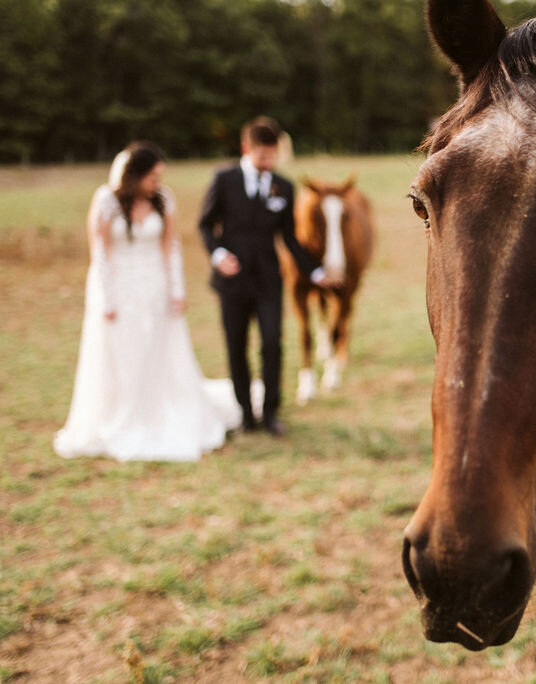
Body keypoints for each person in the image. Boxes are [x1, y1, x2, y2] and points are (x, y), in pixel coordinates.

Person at [54, 142, 242, 462]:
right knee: (123, 353)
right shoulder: (106, 200)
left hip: (154, 287)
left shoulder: (163, 200)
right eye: (152, 177)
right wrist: (106, 298)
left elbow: (172, 248)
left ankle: (159, 409)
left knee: (157, 351)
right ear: (135, 175)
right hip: (120, 289)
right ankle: (121, 414)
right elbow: (99, 251)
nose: (157, 182)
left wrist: (177, 291)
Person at [198, 117, 335, 436]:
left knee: (272, 343)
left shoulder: (283, 187)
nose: (268, 162)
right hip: (231, 282)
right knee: (236, 346)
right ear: (247, 149)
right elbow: (206, 225)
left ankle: (271, 411)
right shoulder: (224, 179)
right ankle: (246, 413)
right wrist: (218, 255)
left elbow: (288, 237)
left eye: (272, 155)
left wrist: (314, 269)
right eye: (262, 155)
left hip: (268, 281)